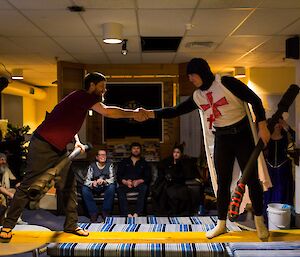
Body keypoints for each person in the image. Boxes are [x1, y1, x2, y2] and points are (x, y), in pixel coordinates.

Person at [0, 72, 147, 243]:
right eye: (102, 86)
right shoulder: (82, 96)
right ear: (91, 85)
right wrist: (134, 113)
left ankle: (71, 225)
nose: (104, 90)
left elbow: (69, 123)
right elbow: (107, 112)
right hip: (42, 145)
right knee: (28, 184)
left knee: (69, 185)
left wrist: (76, 141)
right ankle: (8, 226)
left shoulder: (80, 102)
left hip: (59, 148)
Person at [141, 58, 270, 239]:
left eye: (193, 76)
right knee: (222, 183)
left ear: (202, 72)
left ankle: (259, 221)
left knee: (251, 179)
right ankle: (221, 224)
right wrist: (150, 114)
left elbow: (255, 100)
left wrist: (262, 126)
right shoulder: (197, 96)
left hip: (242, 136)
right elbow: (175, 110)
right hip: (222, 138)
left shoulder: (226, 82)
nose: (191, 80)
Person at [152, 144, 192, 216]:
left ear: (181, 154)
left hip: (178, 183)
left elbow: (185, 175)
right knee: (165, 190)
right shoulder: (167, 161)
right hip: (168, 183)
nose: (175, 154)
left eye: (178, 152)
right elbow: (162, 171)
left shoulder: (184, 162)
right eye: (174, 152)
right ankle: (167, 211)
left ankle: (178, 212)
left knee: (182, 191)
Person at [264, 118, 295, 208]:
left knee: (282, 191)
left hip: (283, 169)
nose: (278, 125)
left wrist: (287, 127)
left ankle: (283, 215)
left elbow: (297, 138)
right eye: (276, 123)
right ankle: (268, 216)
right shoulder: (266, 137)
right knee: (268, 192)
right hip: (269, 169)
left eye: (279, 123)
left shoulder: (287, 136)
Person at [116, 142, 151, 217]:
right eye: (134, 148)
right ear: (131, 150)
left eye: (138, 148)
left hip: (139, 185)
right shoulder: (124, 161)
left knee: (144, 188)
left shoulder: (144, 163)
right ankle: (127, 214)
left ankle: (137, 213)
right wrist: (125, 182)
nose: (136, 150)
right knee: (119, 189)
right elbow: (119, 175)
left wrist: (139, 181)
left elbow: (148, 177)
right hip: (126, 184)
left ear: (140, 150)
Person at [81, 149, 116, 222]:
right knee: (84, 189)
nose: (103, 156)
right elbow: (86, 181)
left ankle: (105, 212)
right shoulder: (92, 166)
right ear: (97, 157)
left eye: (104, 155)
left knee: (112, 186)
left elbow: (112, 179)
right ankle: (93, 213)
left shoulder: (110, 165)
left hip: (105, 186)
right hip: (95, 186)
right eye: (101, 155)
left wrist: (104, 181)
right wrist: (93, 183)